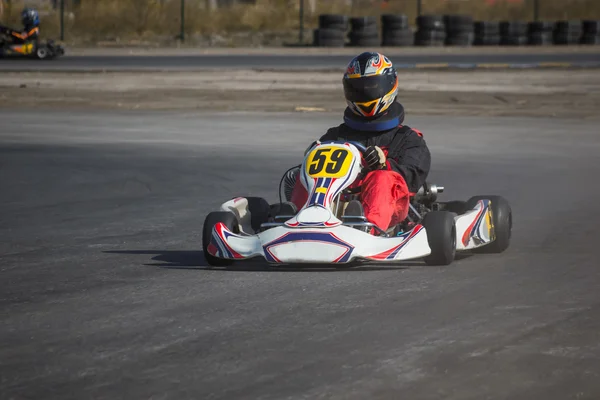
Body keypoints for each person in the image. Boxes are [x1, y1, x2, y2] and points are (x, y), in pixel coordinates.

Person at [288, 51, 431, 234]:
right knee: (308, 174)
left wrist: (384, 164)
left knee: (381, 178)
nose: (365, 93)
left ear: (389, 86)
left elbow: (413, 176)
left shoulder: (406, 138)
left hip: (390, 208)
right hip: (337, 201)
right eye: (358, 88)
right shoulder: (337, 134)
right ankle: (298, 220)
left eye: (372, 87)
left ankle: (366, 229)